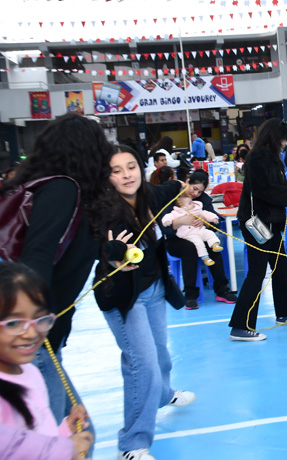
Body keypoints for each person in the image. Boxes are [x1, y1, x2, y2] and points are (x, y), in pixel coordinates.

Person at [0, 113, 112, 453]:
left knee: (76, 432)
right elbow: (37, 259)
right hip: (34, 337)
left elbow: (71, 252)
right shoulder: (62, 189)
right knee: (60, 443)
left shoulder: (66, 194)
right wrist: (33, 323)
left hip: (43, 334)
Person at [96, 145, 194, 460]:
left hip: (154, 290)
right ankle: (132, 444)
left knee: (161, 355)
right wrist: (113, 256)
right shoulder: (104, 210)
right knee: (143, 365)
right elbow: (102, 247)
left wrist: (183, 189)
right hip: (125, 297)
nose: (127, 175)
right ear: (107, 176)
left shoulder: (149, 195)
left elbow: (172, 187)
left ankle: (162, 394)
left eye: (131, 167)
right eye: (117, 170)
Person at [230, 119, 287, 341]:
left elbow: (283, 187)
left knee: (280, 268)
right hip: (257, 223)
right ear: (273, 137)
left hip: (269, 222)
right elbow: (266, 190)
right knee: (257, 273)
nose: (285, 143)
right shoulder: (258, 157)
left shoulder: (271, 158)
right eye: (283, 138)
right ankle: (241, 326)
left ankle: (286, 312)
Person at [0, 263, 92, 460]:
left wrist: (64, 432)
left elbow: (37, 436)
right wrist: (64, 450)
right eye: (14, 323)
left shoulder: (30, 372)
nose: (31, 333)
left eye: (40, 319)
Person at [164, 170, 237, 310]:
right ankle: (190, 295)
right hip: (176, 239)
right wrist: (180, 221)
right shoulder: (172, 197)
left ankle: (222, 290)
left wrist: (205, 222)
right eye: (194, 188)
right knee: (189, 248)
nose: (196, 194)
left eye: (199, 191)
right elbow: (164, 228)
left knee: (214, 245)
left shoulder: (204, 200)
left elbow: (216, 224)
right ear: (187, 182)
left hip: (198, 234)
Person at [161, 192, 222, 267]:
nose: (193, 204)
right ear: (183, 207)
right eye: (190, 203)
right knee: (198, 243)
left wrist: (213, 218)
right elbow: (168, 217)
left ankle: (215, 244)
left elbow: (206, 213)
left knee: (210, 234)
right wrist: (167, 221)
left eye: (192, 202)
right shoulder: (177, 213)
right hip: (189, 234)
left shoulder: (197, 209)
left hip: (200, 230)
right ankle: (205, 257)